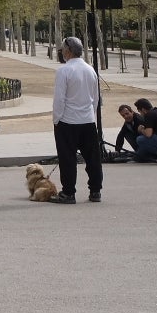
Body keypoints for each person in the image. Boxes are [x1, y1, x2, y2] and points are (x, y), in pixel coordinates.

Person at [48, 36, 103, 204]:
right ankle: (95, 190)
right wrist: (91, 116)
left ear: (68, 51)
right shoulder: (90, 70)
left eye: (63, 50)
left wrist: (56, 119)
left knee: (68, 159)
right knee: (93, 158)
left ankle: (68, 192)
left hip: (68, 121)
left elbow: (59, 99)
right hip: (87, 120)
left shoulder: (64, 71)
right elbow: (95, 98)